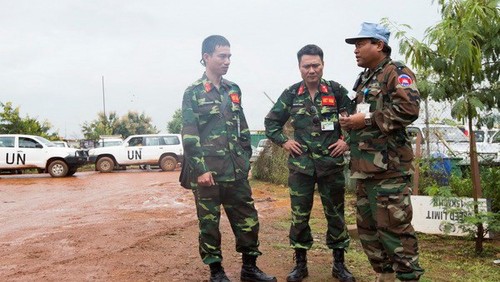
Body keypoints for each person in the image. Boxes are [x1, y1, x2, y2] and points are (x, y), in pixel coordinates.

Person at [180, 35, 276, 282]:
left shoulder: (233, 89)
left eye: (229, 56)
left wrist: (244, 160)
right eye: (222, 56)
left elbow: (242, 128)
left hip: (235, 171)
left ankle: (250, 268)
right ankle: (216, 271)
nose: (227, 61)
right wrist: (200, 169)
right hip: (208, 174)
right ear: (206, 57)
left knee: (247, 219)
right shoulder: (193, 92)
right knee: (209, 224)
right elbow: (190, 136)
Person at [340, 22, 425, 282]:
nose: (355, 50)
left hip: (389, 169)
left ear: (379, 45)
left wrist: (364, 121)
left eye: (360, 44)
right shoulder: (366, 77)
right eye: (354, 45)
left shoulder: (395, 72)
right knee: (368, 230)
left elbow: (409, 109)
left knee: (394, 229)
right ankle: (385, 276)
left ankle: (408, 276)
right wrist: (350, 124)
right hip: (366, 169)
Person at [264, 44, 355, 282]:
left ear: (323, 65)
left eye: (316, 65)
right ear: (299, 67)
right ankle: (300, 264)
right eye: (307, 66)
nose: (312, 70)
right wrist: (285, 142)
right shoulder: (292, 94)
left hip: (331, 165)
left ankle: (339, 265)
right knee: (299, 216)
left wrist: (347, 141)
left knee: (336, 215)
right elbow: (271, 123)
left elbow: (358, 119)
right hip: (301, 167)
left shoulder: (336, 92)